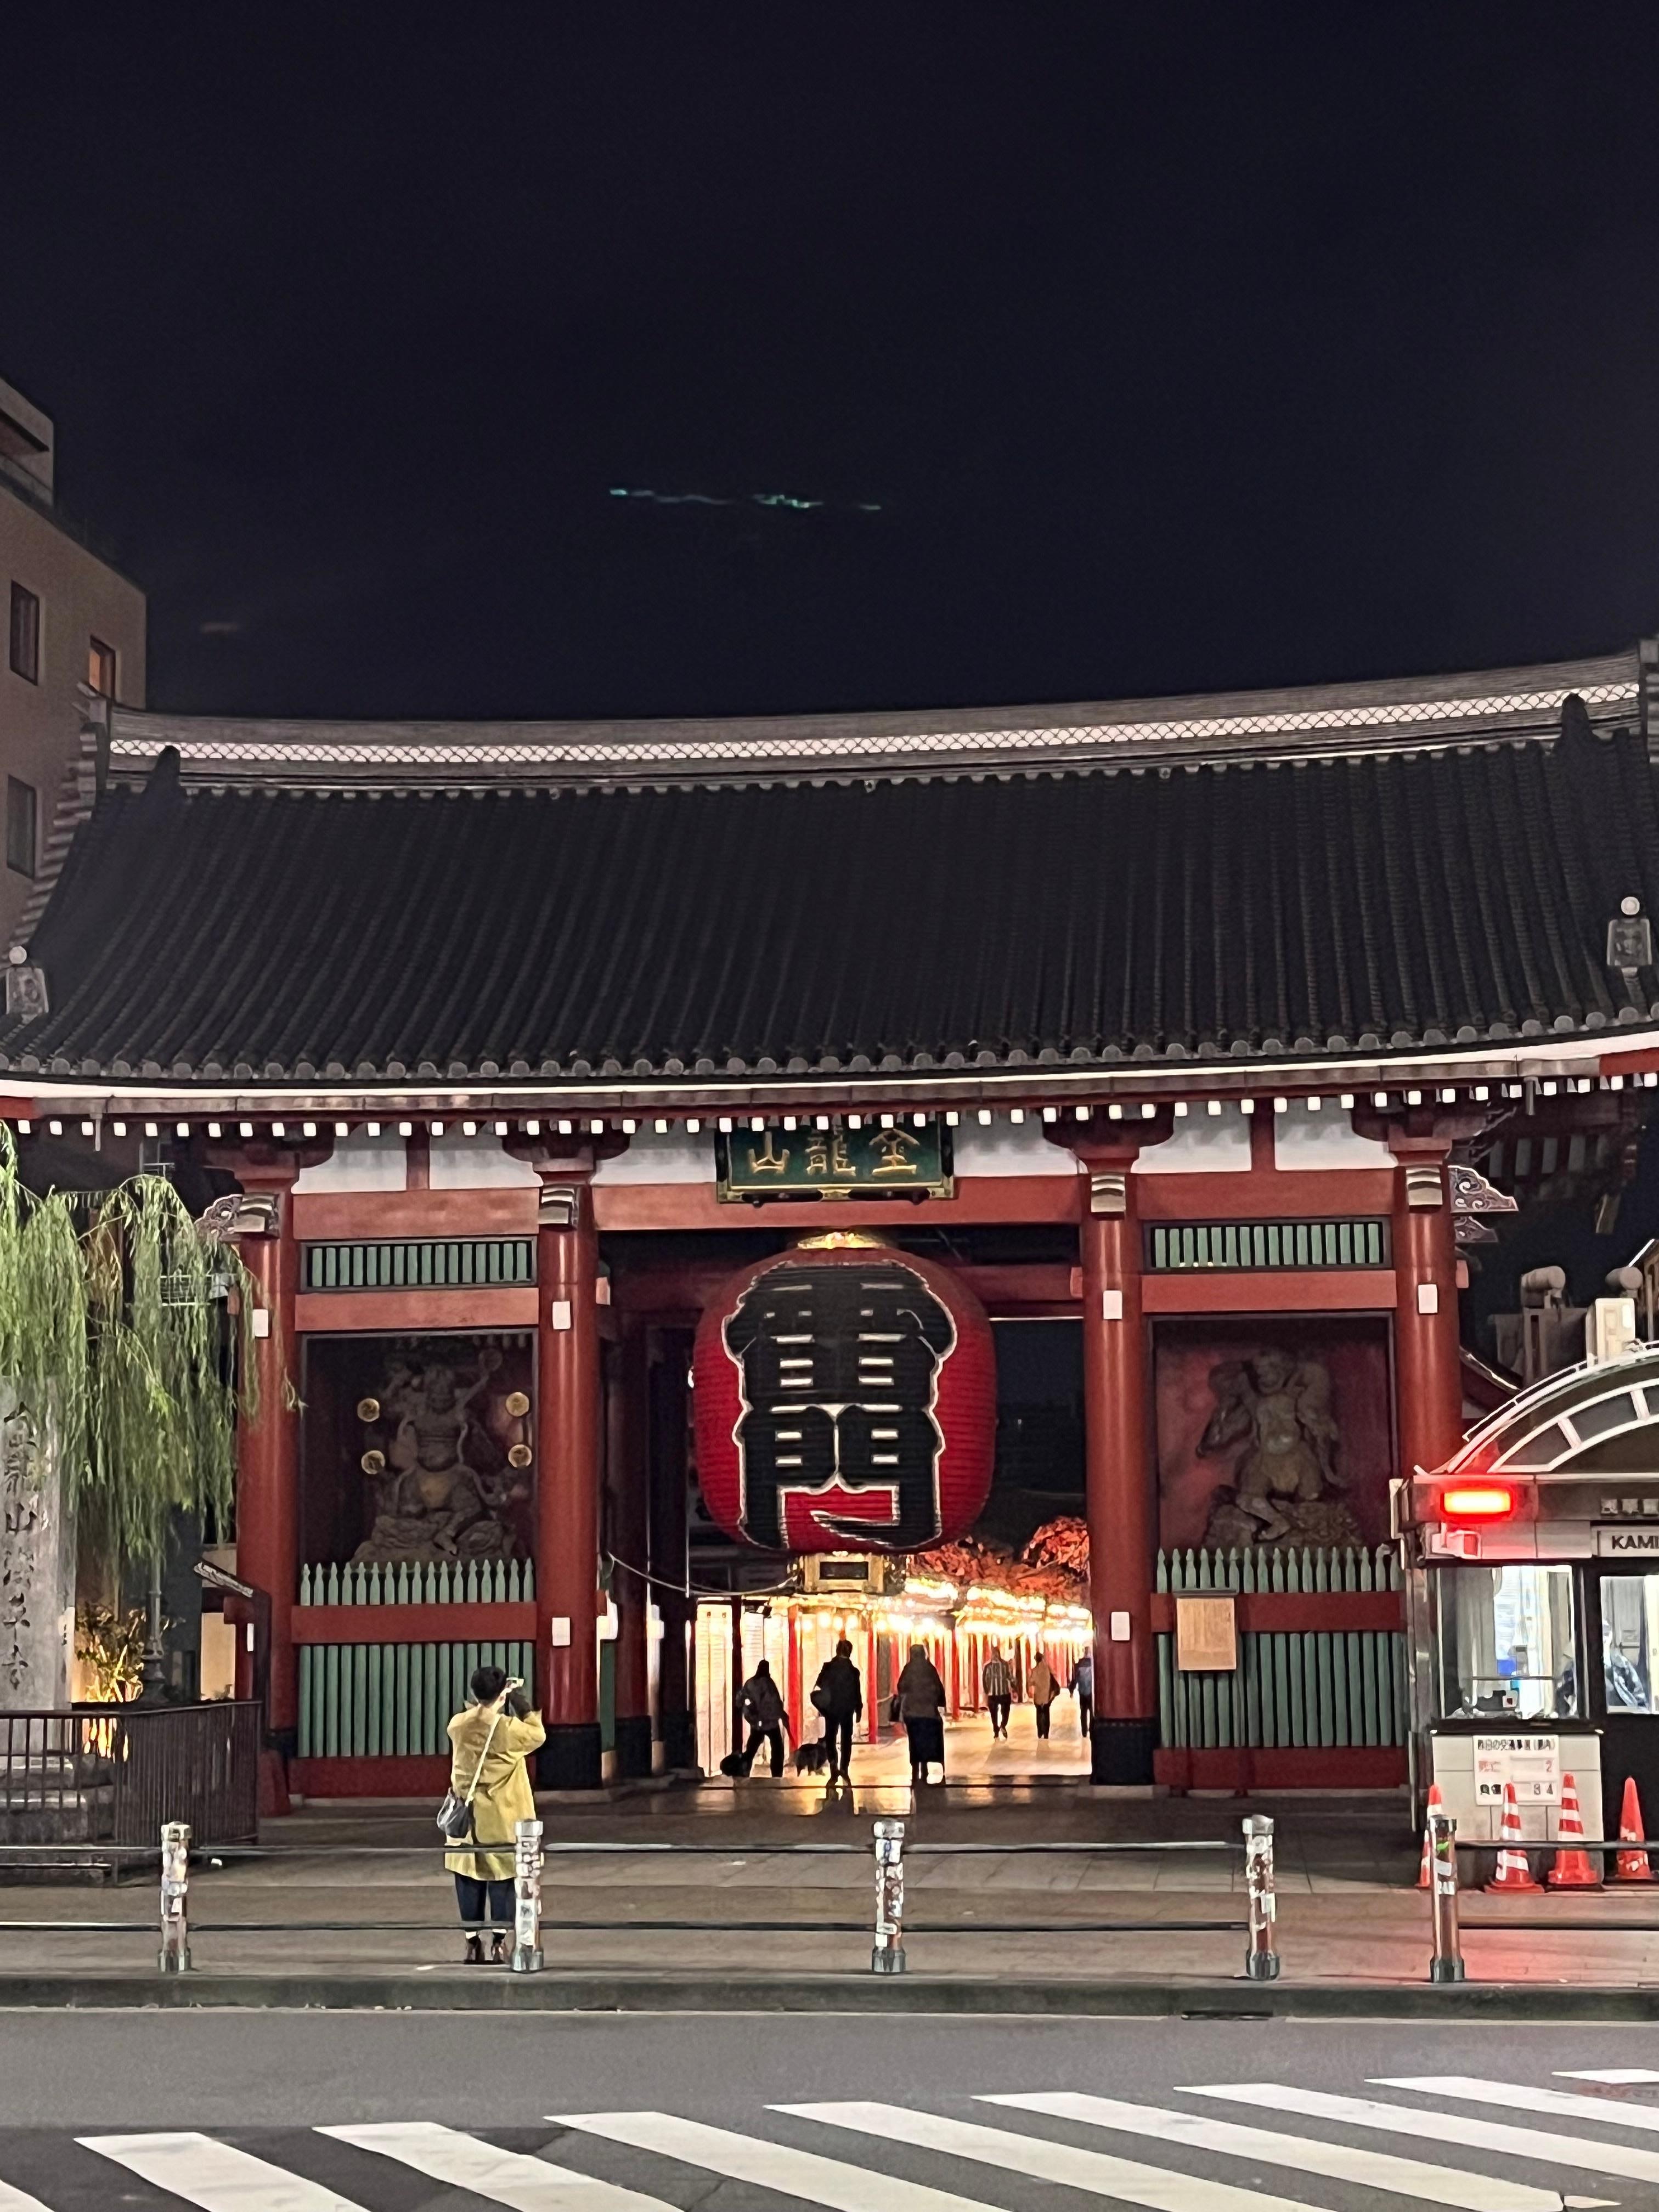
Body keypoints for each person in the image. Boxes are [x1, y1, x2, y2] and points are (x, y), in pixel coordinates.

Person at [444, 1664, 546, 1965]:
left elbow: (476, 1718)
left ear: (474, 1692)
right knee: (502, 1878)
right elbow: (538, 1735)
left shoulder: (458, 1725)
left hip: (466, 1819)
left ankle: (472, 1943)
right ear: (502, 1693)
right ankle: (499, 1943)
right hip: (502, 1816)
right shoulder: (508, 1730)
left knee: (467, 1877)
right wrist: (519, 1702)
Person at [895, 1640, 947, 1785]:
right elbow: (939, 1688)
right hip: (929, 1713)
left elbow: (901, 1686)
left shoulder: (908, 1669)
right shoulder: (930, 1669)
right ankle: (925, 1767)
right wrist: (940, 1704)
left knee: (914, 1741)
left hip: (912, 1713)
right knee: (926, 1739)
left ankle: (915, 1769)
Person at [812, 1638, 864, 1780]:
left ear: (837, 1650)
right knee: (846, 1740)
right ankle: (844, 1769)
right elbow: (857, 1692)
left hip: (831, 1709)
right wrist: (859, 1709)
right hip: (847, 1710)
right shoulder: (853, 1671)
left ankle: (833, 1766)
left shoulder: (828, 1667)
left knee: (831, 1738)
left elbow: (819, 1685)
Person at [737, 1657, 790, 1775]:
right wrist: (781, 1715)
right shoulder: (768, 1684)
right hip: (770, 1723)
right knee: (777, 1749)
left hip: (759, 1723)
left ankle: (744, 1770)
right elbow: (775, 1703)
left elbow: (742, 1700)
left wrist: (751, 1717)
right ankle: (777, 1773)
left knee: (752, 1749)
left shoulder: (751, 1683)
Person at [982, 1644, 1013, 1739]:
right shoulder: (989, 1666)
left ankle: (1001, 1727)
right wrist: (986, 1690)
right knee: (997, 1713)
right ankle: (998, 1729)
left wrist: (987, 1690)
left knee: (1002, 1713)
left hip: (1000, 1693)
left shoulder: (1003, 1665)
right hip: (998, 1694)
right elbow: (984, 1679)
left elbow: (1009, 1676)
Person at [1030, 1651, 1059, 1741]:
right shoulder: (1048, 1668)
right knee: (1046, 1713)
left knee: (1039, 1713)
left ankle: (1040, 1731)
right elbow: (1054, 1674)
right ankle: (1046, 1733)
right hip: (1048, 1696)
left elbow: (1031, 1682)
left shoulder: (1035, 1671)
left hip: (1038, 1696)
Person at [1071, 1651, 1094, 1739]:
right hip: (1091, 1692)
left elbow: (1075, 1678)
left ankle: (1084, 1731)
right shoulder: (1093, 1663)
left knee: (1083, 1712)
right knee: (1091, 1712)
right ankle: (1091, 1728)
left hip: (1082, 1692)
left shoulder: (1080, 1664)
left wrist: (1072, 1690)